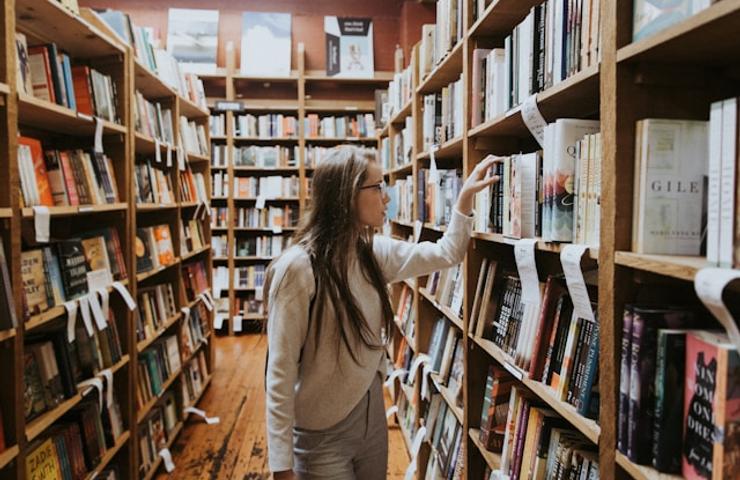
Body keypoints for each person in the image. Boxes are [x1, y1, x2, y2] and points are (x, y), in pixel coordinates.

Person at [265, 146, 499, 479]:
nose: (387, 197)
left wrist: (462, 202)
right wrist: (281, 465)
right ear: (347, 196)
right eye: (378, 187)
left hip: (371, 418)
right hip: (320, 435)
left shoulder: (373, 253)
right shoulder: (298, 269)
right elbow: (280, 369)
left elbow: (447, 253)